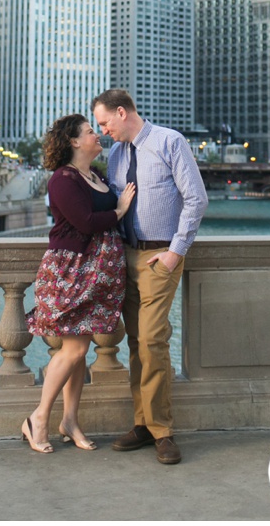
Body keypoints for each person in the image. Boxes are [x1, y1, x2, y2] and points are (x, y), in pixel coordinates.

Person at [94, 87, 205, 465]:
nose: (103, 130)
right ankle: (142, 424)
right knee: (137, 341)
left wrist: (176, 252)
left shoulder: (169, 141)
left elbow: (196, 199)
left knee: (153, 340)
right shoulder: (116, 154)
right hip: (125, 256)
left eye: (105, 122)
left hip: (160, 257)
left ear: (122, 112)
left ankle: (162, 430)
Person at [23, 113, 134, 454]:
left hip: (97, 274)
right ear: (73, 141)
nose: (98, 135)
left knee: (80, 350)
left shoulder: (96, 174)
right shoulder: (62, 180)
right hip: (70, 272)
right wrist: (119, 210)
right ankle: (38, 419)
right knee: (73, 349)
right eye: (90, 132)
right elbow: (85, 223)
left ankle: (70, 420)